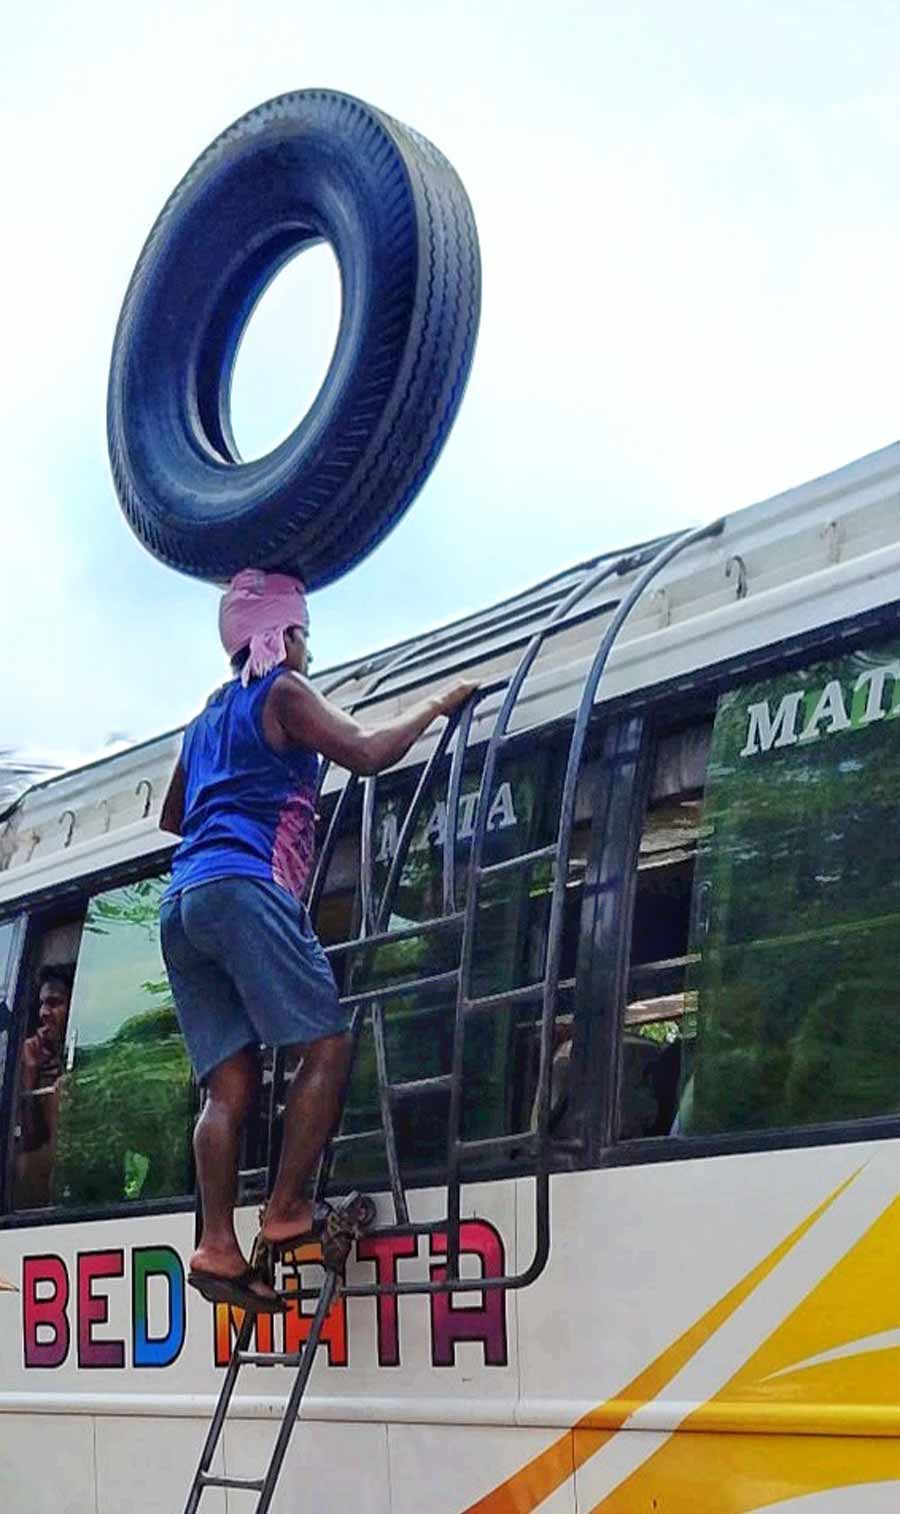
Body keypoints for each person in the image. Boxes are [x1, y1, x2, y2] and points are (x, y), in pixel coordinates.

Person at [159, 569, 474, 1311]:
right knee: (325, 1047)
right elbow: (365, 753)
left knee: (228, 1085)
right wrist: (435, 704)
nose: (308, 647)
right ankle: (288, 1207)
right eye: (303, 632)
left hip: (181, 903)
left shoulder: (206, 716)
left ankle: (216, 1242)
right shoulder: (283, 694)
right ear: (282, 634)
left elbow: (174, 814)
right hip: (245, 886)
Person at [15, 963, 74, 1206]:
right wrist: (29, 1074)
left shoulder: (86, 1062)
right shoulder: (39, 1061)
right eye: (42, 1004)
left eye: (54, 1003)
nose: (43, 1013)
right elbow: (29, 1141)